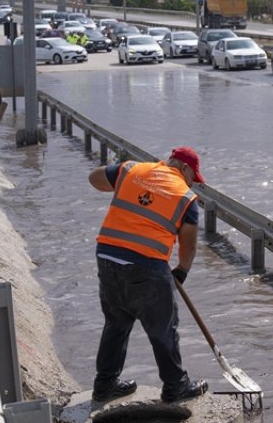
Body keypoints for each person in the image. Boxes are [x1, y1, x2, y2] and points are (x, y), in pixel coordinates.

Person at [87, 147, 208, 403]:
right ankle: (176, 387)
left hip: (107, 256)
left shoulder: (133, 169)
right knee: (163, 328)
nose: (192, 182)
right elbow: (189, 245)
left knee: (116, 322)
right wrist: (182, 271)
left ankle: (105, 385)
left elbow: (94, 177)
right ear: (184, 168)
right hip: (146, 264)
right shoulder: (186, 197)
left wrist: (129, 185)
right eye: (192, 176)